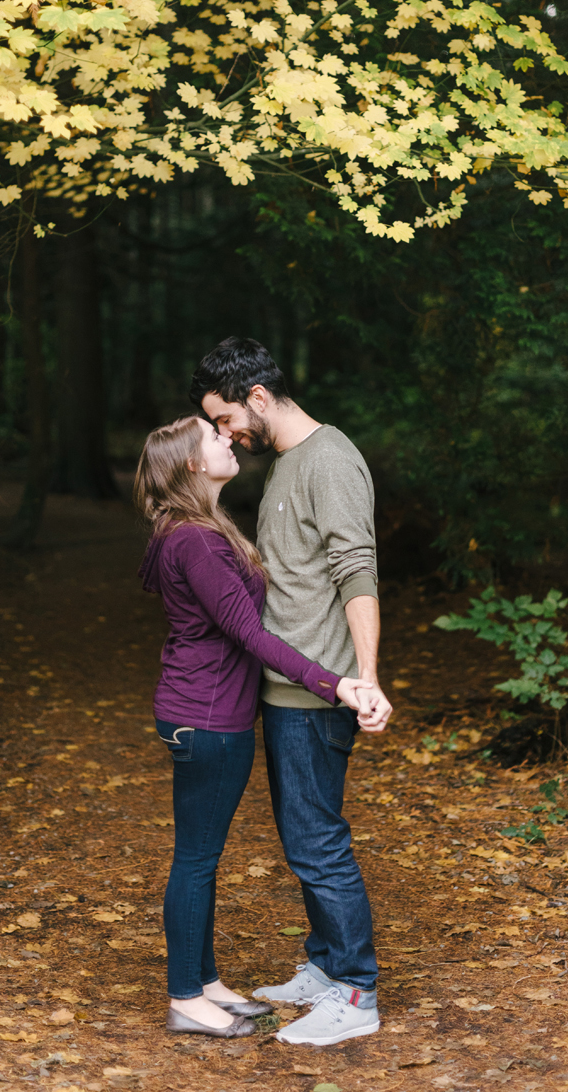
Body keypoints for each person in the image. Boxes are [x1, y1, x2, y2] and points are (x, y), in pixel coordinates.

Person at [135, 416, 380, 1039]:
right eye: (213, 436)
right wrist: (335, 682)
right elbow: (249, 632)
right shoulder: (196, 540)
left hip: (202, 711)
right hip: (208, 718)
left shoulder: (198, 531)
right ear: (192, 463)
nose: (227, 438)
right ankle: (186, 999)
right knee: (195, 860)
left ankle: (205, 983)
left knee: (201, 858)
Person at [190, 338, 393, 1047]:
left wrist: (364, 677)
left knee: (317, 843)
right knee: (302, 837)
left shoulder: (329, 460)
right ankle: (325, 963)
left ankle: (356, 993)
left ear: (257, 397)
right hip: (283, 686)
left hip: (318, 691)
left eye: (224, 419)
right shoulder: (287, 463)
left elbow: (355, 570)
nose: (224, 435)